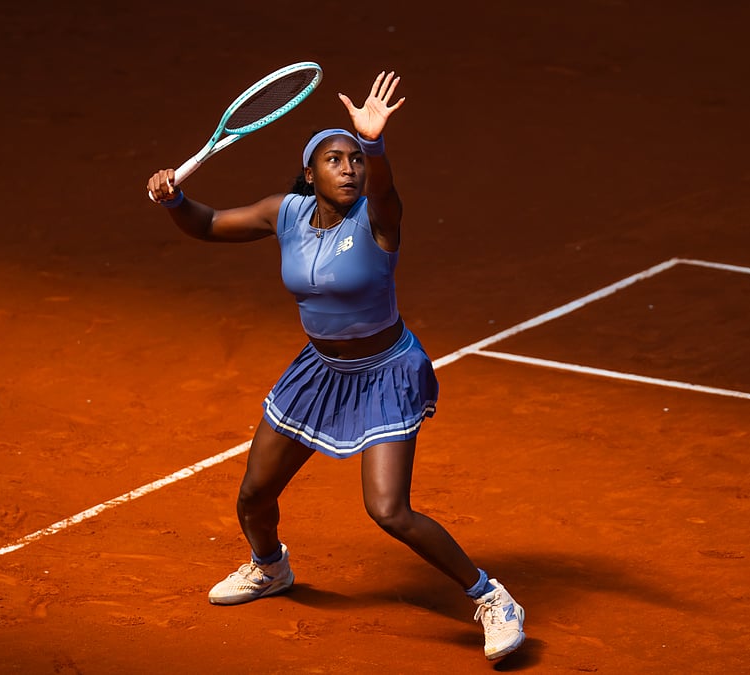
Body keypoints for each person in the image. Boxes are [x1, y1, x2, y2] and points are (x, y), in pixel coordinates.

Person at [145, 71, 525, 661]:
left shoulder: (378, 220)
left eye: (356, 160)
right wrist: (173, 199)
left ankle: (491, 596)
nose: (350, 168)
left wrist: (373, 141)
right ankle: (270, 568)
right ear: (309, 174)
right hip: (318, 370)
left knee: (388, 510)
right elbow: (211, 224)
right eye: (335, 159)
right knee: (253, 496)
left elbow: (387, 188)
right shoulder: (286, 213)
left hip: (386, 372)